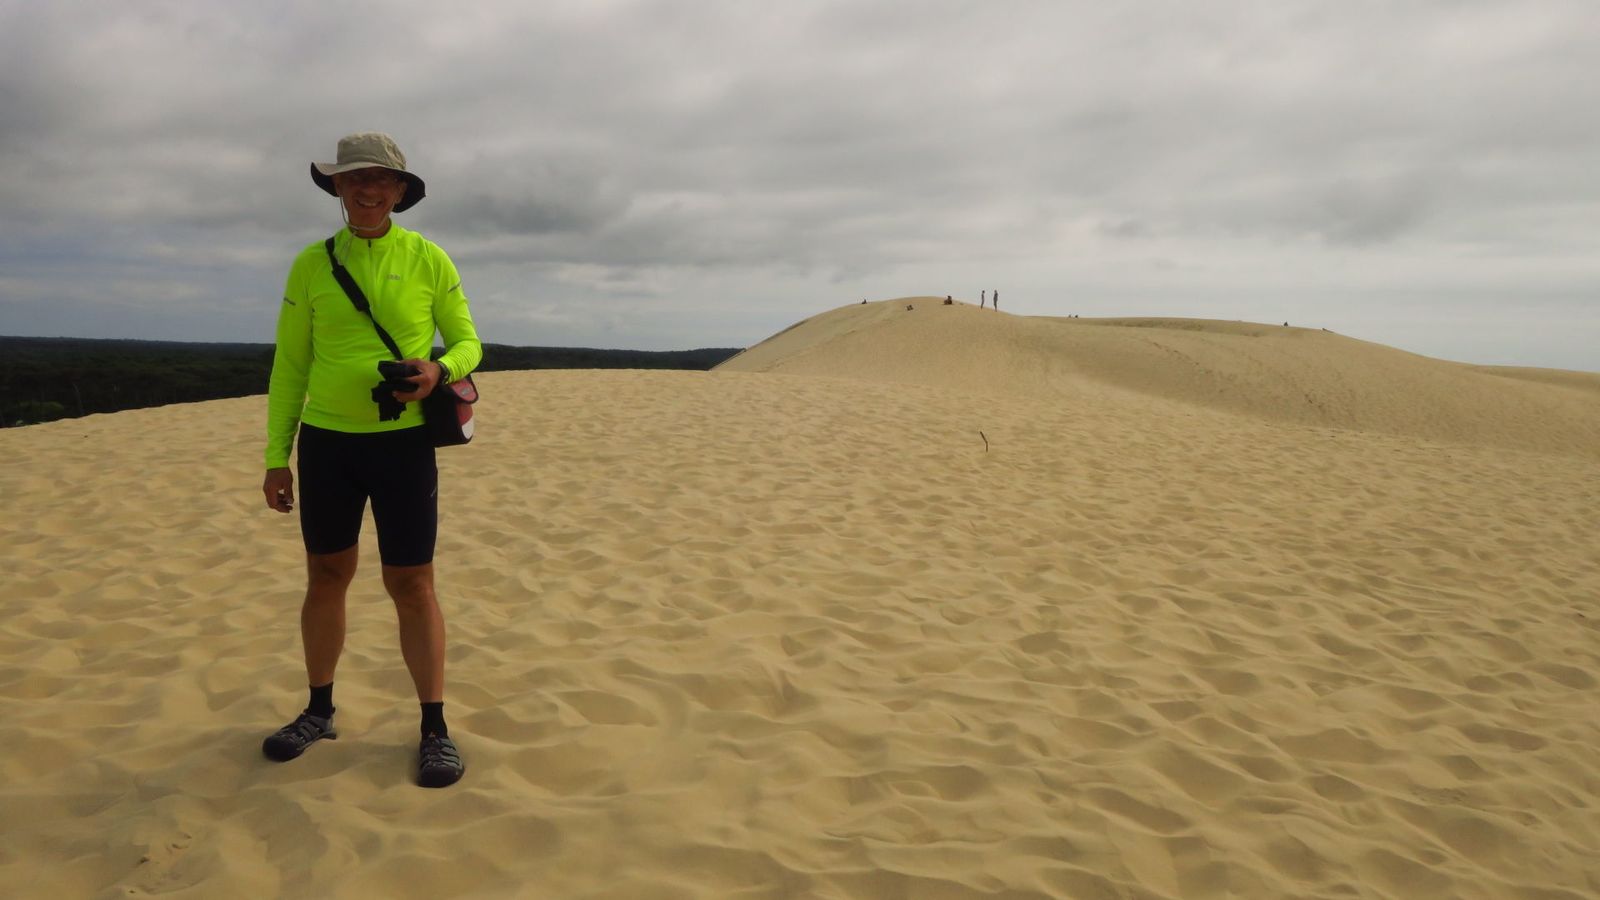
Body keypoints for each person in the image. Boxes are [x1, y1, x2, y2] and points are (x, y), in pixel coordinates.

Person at [260, 132, 482, 788]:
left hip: (403, 445)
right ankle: (319, 710)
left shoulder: (428, 258)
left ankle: (434, 728)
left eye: (380, 179)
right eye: (354, 177)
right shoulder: (311, 264)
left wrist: (437, 370)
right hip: (326, 444)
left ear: (400, 191)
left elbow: (468, 342)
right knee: (326, 576)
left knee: (412, 585)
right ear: (336, 186)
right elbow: (290, 365)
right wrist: (276, 456)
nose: (367, 188)